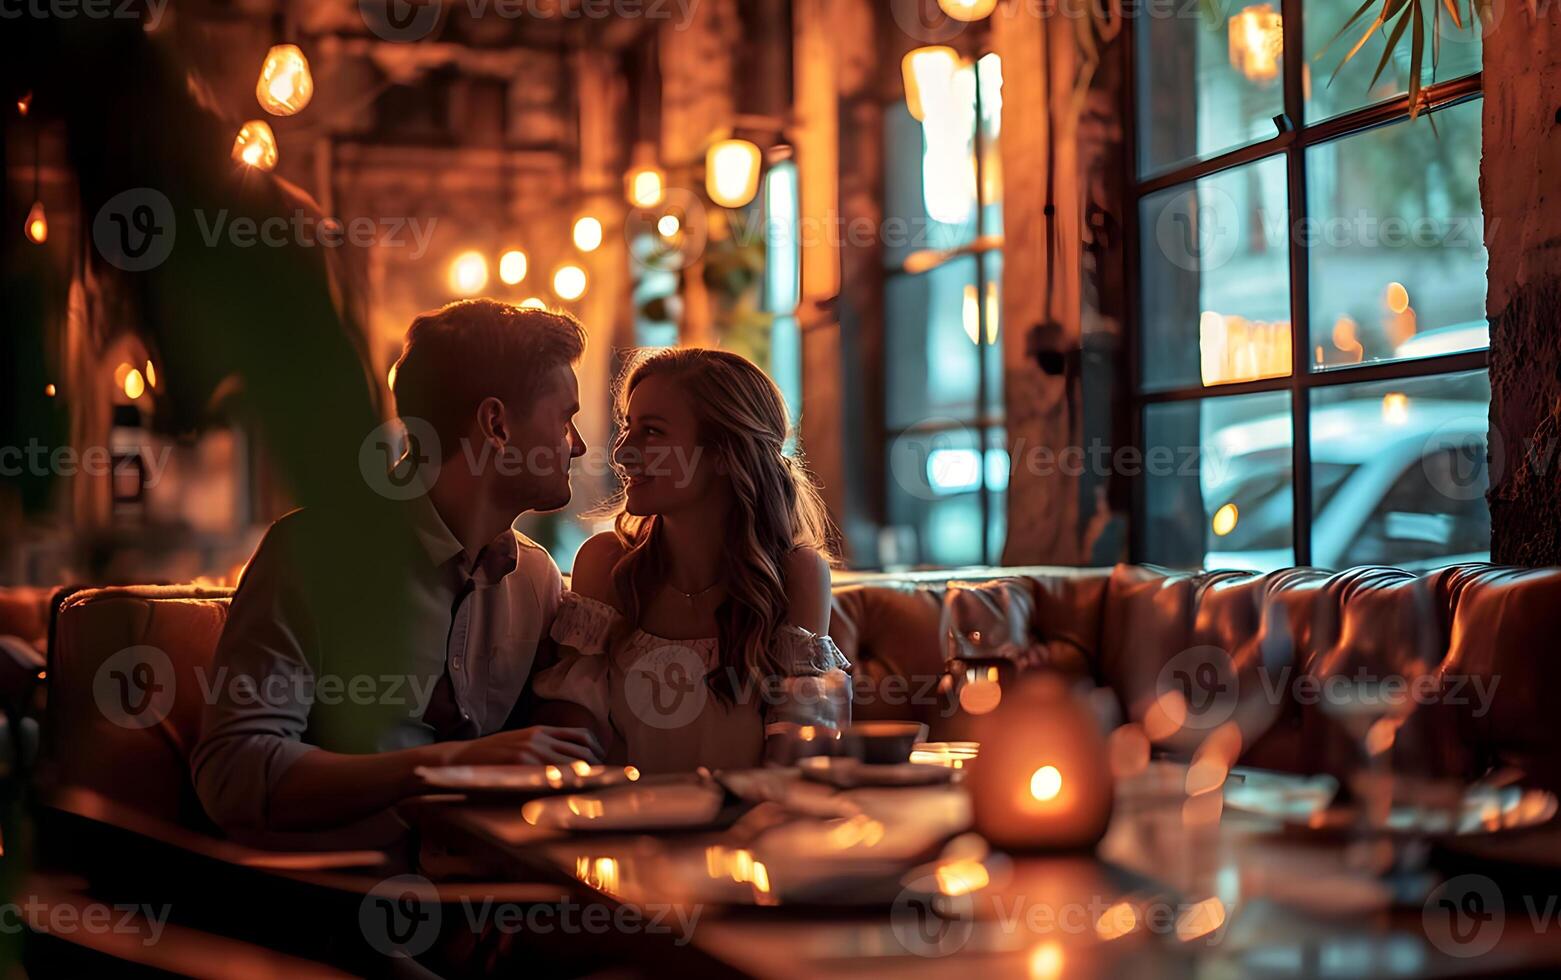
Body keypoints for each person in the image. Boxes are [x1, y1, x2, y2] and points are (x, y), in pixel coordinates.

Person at [191, 299, 601, 843]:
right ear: (496, 424)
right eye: (565, 418)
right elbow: (234, 775)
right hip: (323, 901)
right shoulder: (314, 554)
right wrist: (450, 765)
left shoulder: (536, 579)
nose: (578, 445)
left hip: (485, 897)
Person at [533, 348, 851, 773]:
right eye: (628, 427)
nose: (622, 453)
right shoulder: (604, 565)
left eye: (652, 432)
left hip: (750, 828)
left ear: (723, 453)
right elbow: (571, 739)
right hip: (622, 826)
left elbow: (797, 757)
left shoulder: (796, 575)